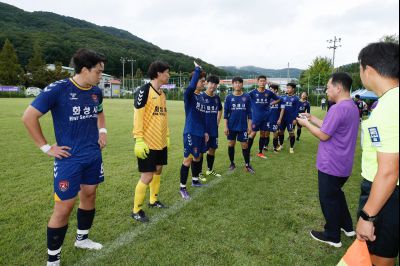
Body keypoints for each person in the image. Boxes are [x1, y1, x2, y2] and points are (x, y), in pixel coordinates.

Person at [22, 49, 107, 265]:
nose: (101, 76)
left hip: (93, 156)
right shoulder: (58, 89)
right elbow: (29, 116)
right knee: (64, 208)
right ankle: (53, 260)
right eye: (98, 72)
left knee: (89, 194)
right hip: (69, 159)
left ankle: (82, 239)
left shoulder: (96, 91)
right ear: (85, 70)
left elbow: (99, 112)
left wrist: (102, 132)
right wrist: (46, 147)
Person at [297, 72, 359, 248]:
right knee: (337, 195)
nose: (326, 90)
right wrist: (312, 118)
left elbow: (324, 135)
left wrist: (306, 124)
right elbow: (330, 125)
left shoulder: (338, 108)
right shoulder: (351, 106)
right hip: (343, 164)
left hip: (331, 164)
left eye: (328, 87)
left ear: (338, 88)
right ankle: (347, 227)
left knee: (328, 198)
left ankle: (332, 235)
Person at [356, 42, 399, 266]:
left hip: (386, 195)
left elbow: (389, 171)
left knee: (380, 259)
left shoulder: (388, 107)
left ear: (368, 70)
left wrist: (367, 216)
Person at [131, 61, 170, 222]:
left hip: (160, 142)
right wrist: (138, 139)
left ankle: (153, 200)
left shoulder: (162, 94)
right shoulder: (144, 91)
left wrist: (166, 135)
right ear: (158, 73)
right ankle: (136, 210)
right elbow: (137, 116)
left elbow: (163, 117)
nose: (168, 75)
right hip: (147, 143)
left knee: (158, 170)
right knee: (147, 175)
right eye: (167, 72)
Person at [179, 62, 208, 200]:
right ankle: (182, 188)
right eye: (202, 81)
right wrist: (197, 70)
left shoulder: (202, 97)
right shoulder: (189, 95)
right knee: (188, 160)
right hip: (190, 132)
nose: (204, 83)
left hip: (201, 132)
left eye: (204, 81)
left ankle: (195, 180)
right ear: (195, 81)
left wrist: (206, 131)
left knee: (198, 157)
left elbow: (203, 117)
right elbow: (191, 86)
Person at [224, 77, 254, 173]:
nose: (237, 84)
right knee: (231, 144)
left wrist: (249, 126)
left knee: (245, 145)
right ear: (233, 84)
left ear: (242, 84)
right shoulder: (228, 97)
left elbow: (250, 113)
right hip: (231, 126)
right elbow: (226, 114)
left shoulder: (247, 97)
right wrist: (225, 126)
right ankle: (232, 163)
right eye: (235, 83)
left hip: (242, 126)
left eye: (239, 83)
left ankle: (247, 165)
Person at [248, 75, 280, 159]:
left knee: (263, 134)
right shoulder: (252, 92)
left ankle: (260, 152)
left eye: (263, 81)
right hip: (255, 118)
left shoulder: (269, 93)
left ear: (266, 82)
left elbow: (278, 99)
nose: (262, 82)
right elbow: (245, 99)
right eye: (260, 81)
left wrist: (271, 103)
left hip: (266, 118)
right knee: (253, 134)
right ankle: (247, 151)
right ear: (257, 82)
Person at [202, 75, 223, 179]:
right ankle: (198, 173)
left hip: (213, 129)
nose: (213, 86)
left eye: (215, 84)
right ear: (206, 83)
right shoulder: (201, 96)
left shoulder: (216, 98)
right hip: (202, 129)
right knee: (200, 151)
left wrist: (217, 122)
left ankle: (209, 170)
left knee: (212, 149)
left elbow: (220, 109)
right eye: (211, 83)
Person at [278, 83, 300, 153]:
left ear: (293, 89)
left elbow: (297, 109)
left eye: (289, 88)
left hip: (290, 119)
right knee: (281, 132)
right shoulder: (283, 97)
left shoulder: (296, 99)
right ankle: (281, 145)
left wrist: (295, 119)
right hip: (283, 118)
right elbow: (280, 108)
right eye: (286, 88)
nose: (287, 89)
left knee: (291, 133)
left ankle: (291, 148)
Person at [265, 84, 285, 153]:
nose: (269, 90)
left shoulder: (280, 98)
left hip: (275, 119)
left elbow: (282, 109)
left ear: (275, 90)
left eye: (271, 89)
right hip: (267, 119)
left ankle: (275, 147)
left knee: (275, 133)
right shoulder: (267, 98)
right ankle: (266, 146)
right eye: (269, 89)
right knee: (266, 133)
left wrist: (280, 119)